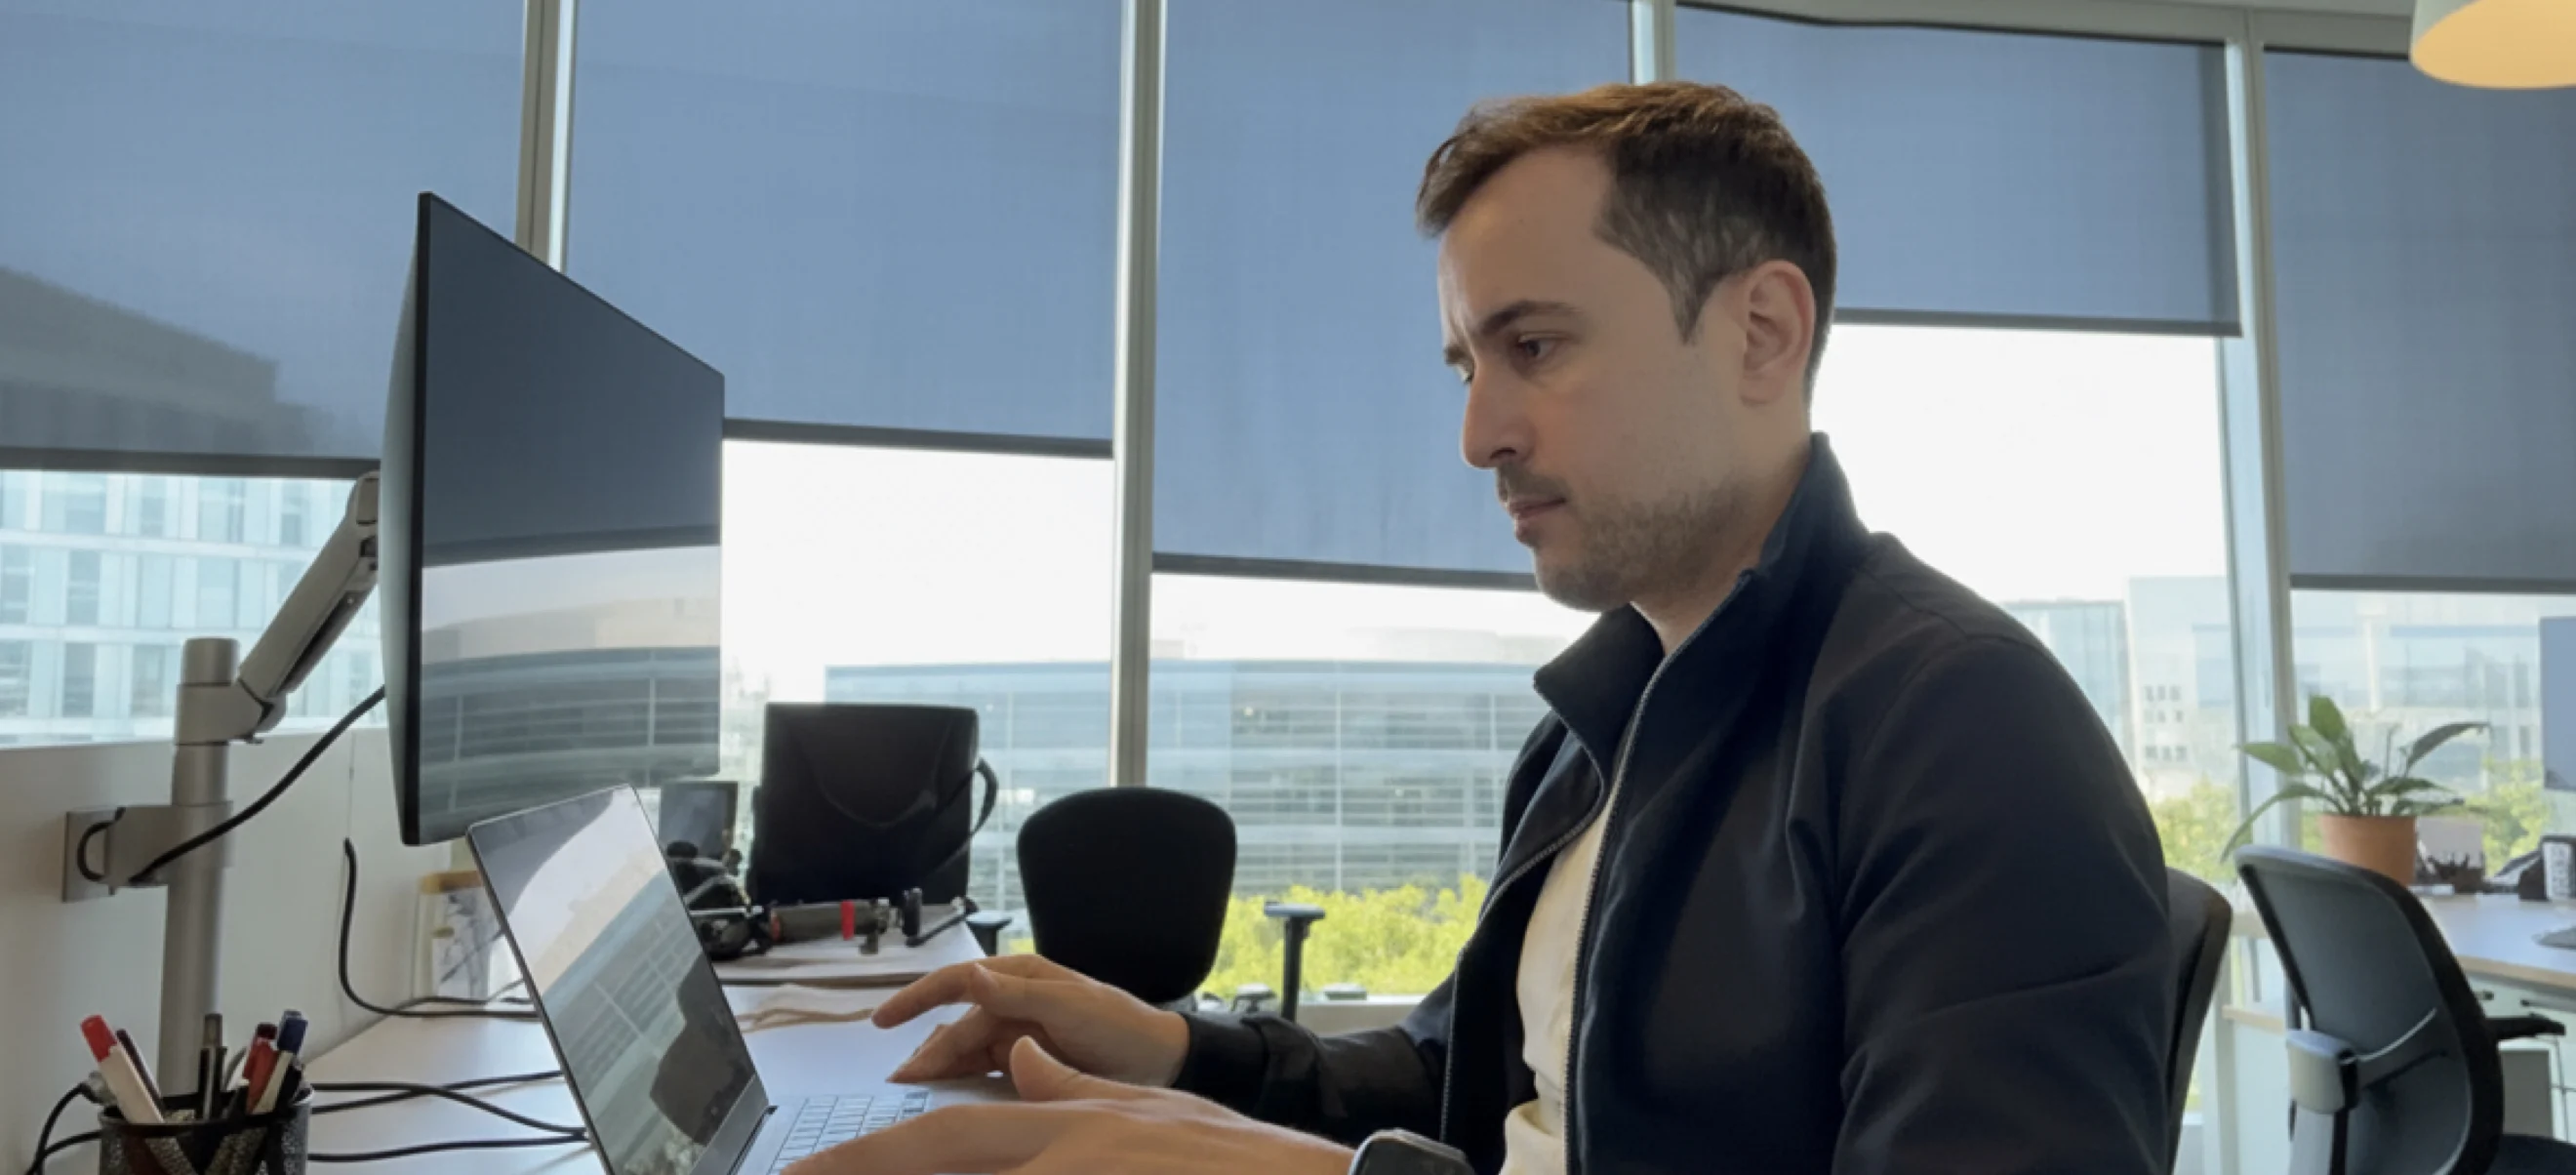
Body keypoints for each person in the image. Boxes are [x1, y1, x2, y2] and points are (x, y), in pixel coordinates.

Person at [789, 81, 2172, 1175]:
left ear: (1761, 333)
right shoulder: (1597, 735)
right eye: (1466, 363)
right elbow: (1455, 1085)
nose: (1477, 435)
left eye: (1535, 347)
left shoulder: (1962, 730)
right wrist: (1168, 1054)